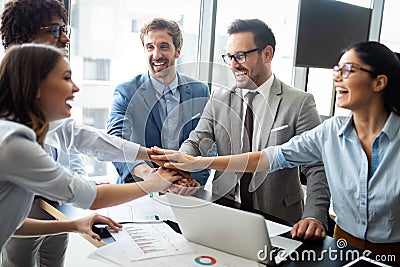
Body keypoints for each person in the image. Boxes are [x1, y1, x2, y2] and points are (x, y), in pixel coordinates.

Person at [152, 41, 400, 258]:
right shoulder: (331, 130)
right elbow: (271, 157)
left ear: (379, 82)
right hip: (343, 245)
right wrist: (195, 163)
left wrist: (315, 215)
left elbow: (315, 170)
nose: (336, 78)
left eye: (347, 70)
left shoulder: (300, 102)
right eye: (337, 70)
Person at [0, 44, 181, 251]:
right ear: (35, 87)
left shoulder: (9, 132)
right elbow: (94, 198)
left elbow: (10, 222)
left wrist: (73, 225)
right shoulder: (15, 144)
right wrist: (153, 183)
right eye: (66, 78)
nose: (75, 88)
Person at [177, 19, 329, 236]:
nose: (233, 64)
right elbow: (196, 141)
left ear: (267, 54)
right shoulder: (219, 98)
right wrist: (181, 165)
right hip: (225, 211)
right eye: (229, 57)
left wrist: (314, 215)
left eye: (240, 56)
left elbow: (317, 166)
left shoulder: (299, 103)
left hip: (280, 220)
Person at [0, 1, 91, 266]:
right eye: (54, 29)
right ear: (26, 37)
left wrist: (74, 217)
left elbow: (68, 145)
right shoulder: (13, 105)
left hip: (57, 207)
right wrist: (151, 182)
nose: (64, 38)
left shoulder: (49, 90)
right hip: (26, 205)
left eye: (65, 29)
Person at [106, 18, 210, 190]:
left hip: (185, 192)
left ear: (178, 51)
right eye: (150, 47)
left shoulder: (200, 91)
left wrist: (193, 180)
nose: (156, 55)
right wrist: (150, 176)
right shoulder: (126, 92)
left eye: (164, 46)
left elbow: (207, 143)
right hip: (139, 189)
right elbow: (115, 141)